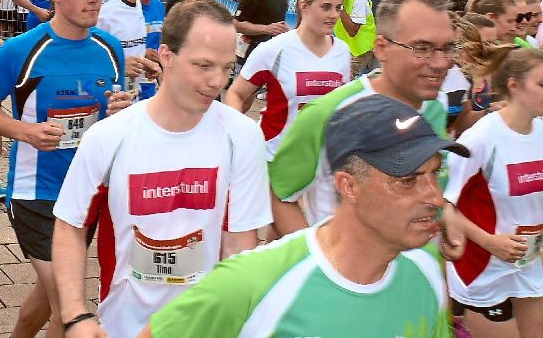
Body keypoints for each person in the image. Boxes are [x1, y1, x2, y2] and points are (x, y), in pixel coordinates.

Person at [142, 95, 466, 338]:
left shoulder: (426, 269)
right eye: (407, 181)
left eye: (434, 175)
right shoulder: (253, 283)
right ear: (349, 187)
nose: (435, 197)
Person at [53, 0, 270, 338]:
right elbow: (69, 226)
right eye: (203, 65)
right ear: (166, 56)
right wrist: (75, 316)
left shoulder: (242, 137)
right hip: (123, 326)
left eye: (227, 67)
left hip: (208, 325)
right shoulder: (109, 137)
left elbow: (240, 245)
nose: (217, 81)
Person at [0, 0, 133, 338]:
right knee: (67, 307)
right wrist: (26, 132)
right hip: (36, 193)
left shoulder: (110, 49)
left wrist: (121, 109)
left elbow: (114, 109)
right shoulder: (20, 50)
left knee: (46, 297)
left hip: (85, 191)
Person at [268, 0, 462, 239]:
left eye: (447, 48)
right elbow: (279, 197)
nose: (440, 63)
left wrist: (447, 216)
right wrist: (323, 264)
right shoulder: (327, 114)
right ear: (381, 49)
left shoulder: (437, 104)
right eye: (421, 48)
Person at [445, 47, 543, 337]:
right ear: (514, 85)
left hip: (531, 262)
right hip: (484, 265)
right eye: (542, 84)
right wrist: (490, 241)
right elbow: (444, 205)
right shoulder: (481, 138)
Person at [227, 0, 351, 156]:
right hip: (274, 159)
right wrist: (239, 134)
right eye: (326, 7)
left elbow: (340, 107)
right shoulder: (274, 49)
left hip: (320, 162)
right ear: (304, 5)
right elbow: (236, 93)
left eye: (338, 8)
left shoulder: (342, 52)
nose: (334, 15)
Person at [99, 0, 160, 98]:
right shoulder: (101, 10)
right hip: (107, 109)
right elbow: (79, 63)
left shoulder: (137, 2)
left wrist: (145, 62)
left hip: (132, 104)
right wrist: (117, 68)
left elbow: (129, 55)